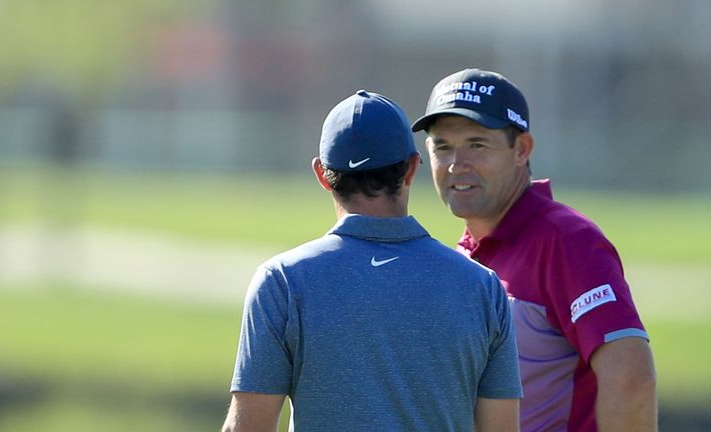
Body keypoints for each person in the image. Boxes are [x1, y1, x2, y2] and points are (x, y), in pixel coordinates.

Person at [222, 89, 522, 431]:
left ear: (322, 174)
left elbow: (247, 426)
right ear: (411, 169)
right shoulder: (482, 287)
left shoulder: (282, 282)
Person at [412, 68, 657, 432]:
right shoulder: (464, 256)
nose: (455, 165)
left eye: (477, 145)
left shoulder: (567, 240)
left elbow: (631, 377)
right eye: (442, 147)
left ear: (521, 150)